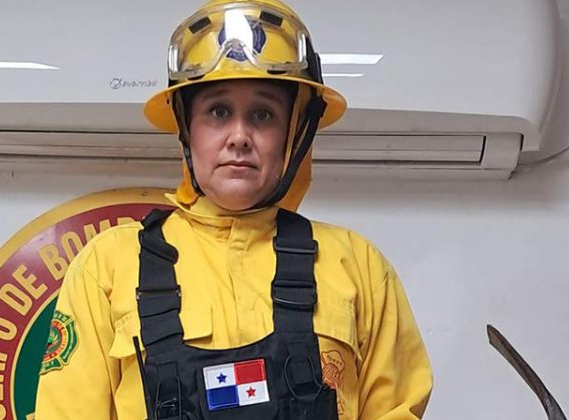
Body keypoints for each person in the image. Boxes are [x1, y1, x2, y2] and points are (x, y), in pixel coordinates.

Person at [35, 0, 432, 419]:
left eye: (263, 114)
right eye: (218, 111)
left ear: (294, 132)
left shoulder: (358, 266)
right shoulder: (109, 267)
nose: (239, 136)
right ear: (187, 128)